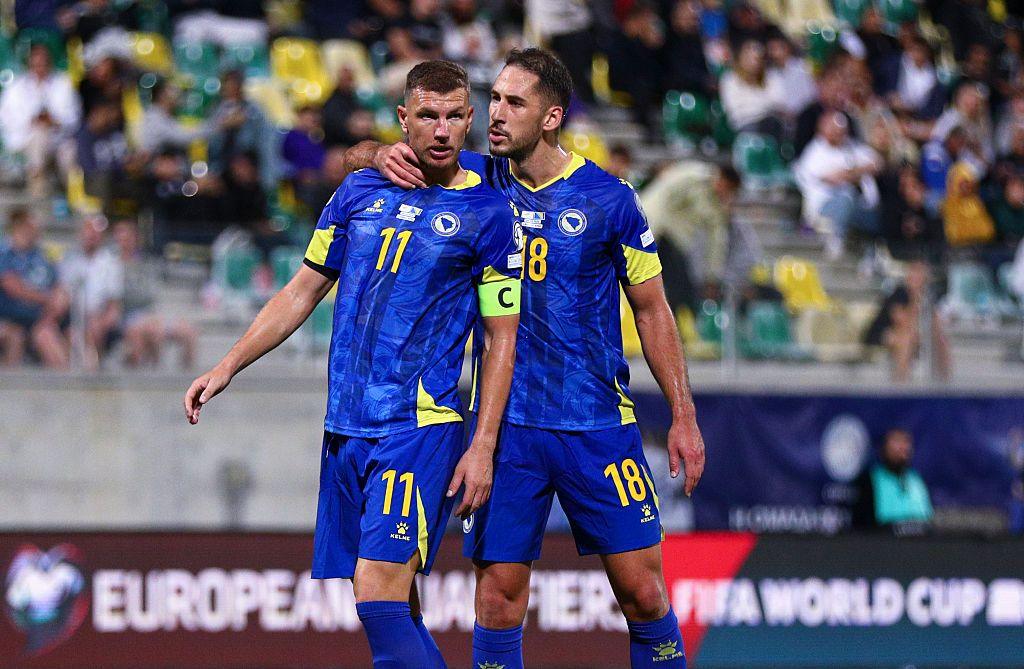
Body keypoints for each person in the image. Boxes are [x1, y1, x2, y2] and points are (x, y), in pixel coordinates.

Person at [348, 47, 704, 669]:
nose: (496, 113)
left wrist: (683, 414)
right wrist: (377, 154)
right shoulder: (474, 179)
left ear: (551, 117)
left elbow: (652, 309)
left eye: (514, 102)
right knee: (498, 599)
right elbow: (353, 163)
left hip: (597, 422)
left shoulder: (609, 199)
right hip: (507, 429)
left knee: (644, 594)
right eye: (494, 99)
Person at [184, 60, 522, 669]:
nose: (441, 130)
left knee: (376, 592)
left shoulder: (491, 215)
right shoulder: (360, 190)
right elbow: (302, 289)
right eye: (427, 115)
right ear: (403, 119)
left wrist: (482, 445)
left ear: (470, 119)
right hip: (346, 424)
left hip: (417, 424)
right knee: (396, 602)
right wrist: (228, 365)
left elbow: (501, 338)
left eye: (454, 117)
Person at [794, 110, 884, 259]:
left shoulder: (852, 147)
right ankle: (835, 240)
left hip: (859, 208)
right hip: (824, 209)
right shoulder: (815, 151)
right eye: (834, 129)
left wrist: (850, 172)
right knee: (846, 195)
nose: (838, 134)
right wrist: (858, 171)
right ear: (823, 128)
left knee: (880, 214)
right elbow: (833, 179)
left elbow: (877, 163)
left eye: (841, 130)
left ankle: (872, 256)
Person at [112, 219, 196, 369]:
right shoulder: (110, 264)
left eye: (129, 238)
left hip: (151, 313)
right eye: (121, 239)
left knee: (188, 331)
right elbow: (119, 296)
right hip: (127, 315)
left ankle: (188, 376)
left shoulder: (147, 262)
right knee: (152, 330)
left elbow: (152, 292)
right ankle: (153, 371)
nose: (125, 242)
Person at [0, 44, 80, 198]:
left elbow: (74, 117)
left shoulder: (63, 83)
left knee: (70, 153)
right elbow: (5, 118)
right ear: (29, 64)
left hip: (59, 139)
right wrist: (31, 121)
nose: (40, 68)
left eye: (43, 64)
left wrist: (55, 122)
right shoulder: (16, 88)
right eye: (36, 64)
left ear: (50, 63)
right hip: (27, 140)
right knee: (39, 137)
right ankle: (38, 193)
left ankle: (72, 197)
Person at [862, 260, 951, 382]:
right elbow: (901, 321)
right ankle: (901, 382)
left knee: (940, 340)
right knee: (906, 339)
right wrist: (915, 299)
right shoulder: (900, 293)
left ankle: (943, 381)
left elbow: (935, 323)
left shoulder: (927, 296)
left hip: (906, 332)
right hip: (881, 333)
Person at [0, 209, 68, 367]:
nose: (36, 230)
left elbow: (58, 286)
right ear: (18, 227)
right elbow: (12, 287)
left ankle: (70, 380)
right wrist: (47, 299)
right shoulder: (4, 253)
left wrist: (54, 310)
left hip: (40, 319)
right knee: (14, 336)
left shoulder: (42, 256)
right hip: (9, 319)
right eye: (31, 226)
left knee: (47, 335)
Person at [56, 215, 124, 371]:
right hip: (71, 317)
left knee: (91, 330)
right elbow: (62, 293)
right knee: (72, 333)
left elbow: (114, 307)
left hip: (98, 317)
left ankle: (92, 372)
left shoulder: (111, 263)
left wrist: (101, 321)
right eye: (88, 231)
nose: (91, 236)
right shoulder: (69, 260)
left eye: (96, 233)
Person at [853, 429, 934, 531]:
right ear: (884, 448)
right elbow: (862, 524)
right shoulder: (869, 480)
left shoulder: (916, 479)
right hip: (882, 538)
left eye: (905, 442)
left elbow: (926, 518)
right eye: (896, 442)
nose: (902, 448)